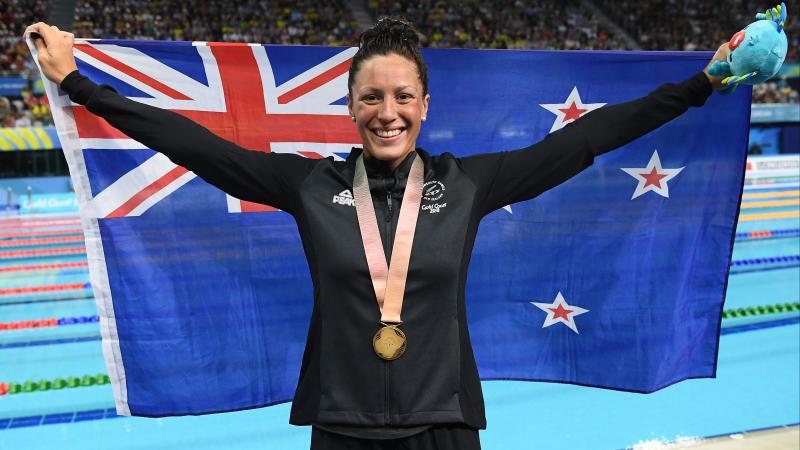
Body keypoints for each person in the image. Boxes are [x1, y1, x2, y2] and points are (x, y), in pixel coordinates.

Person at [25, 17, 728, 450]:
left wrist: (702, 83)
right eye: (371, 97)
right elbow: (196, 145)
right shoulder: (311, 186)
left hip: (444, 428)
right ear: (349, 106)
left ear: (425, 104)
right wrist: (83, 87)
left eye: (401, 97)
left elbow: (588, 139)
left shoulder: (468, 183)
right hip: (341, 428)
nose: (386, 112)